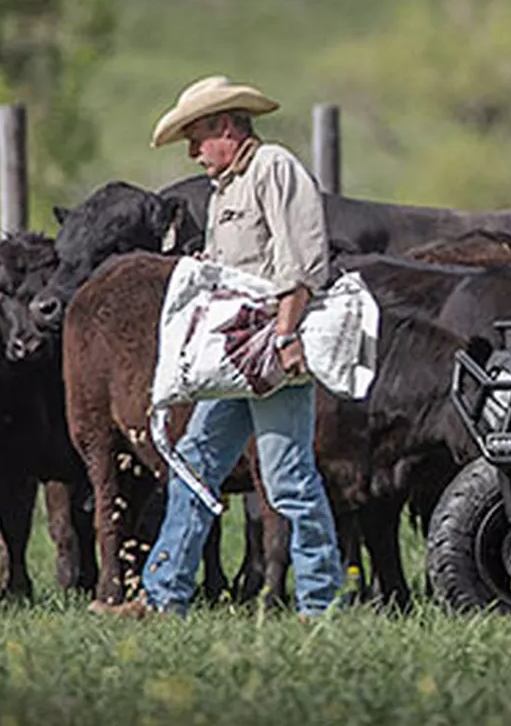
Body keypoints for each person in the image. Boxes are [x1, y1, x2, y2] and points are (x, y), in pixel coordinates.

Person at [91, 75, 343, 619]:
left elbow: (299, 262)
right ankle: (163, 597)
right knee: (194, 465)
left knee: (287, 477)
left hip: (272, 350)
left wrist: (286, 334)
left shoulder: (274, 168)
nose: (192, 151)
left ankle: (320, 605)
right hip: (236, 356)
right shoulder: (228, 185)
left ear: (225, 128)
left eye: (197, 137)